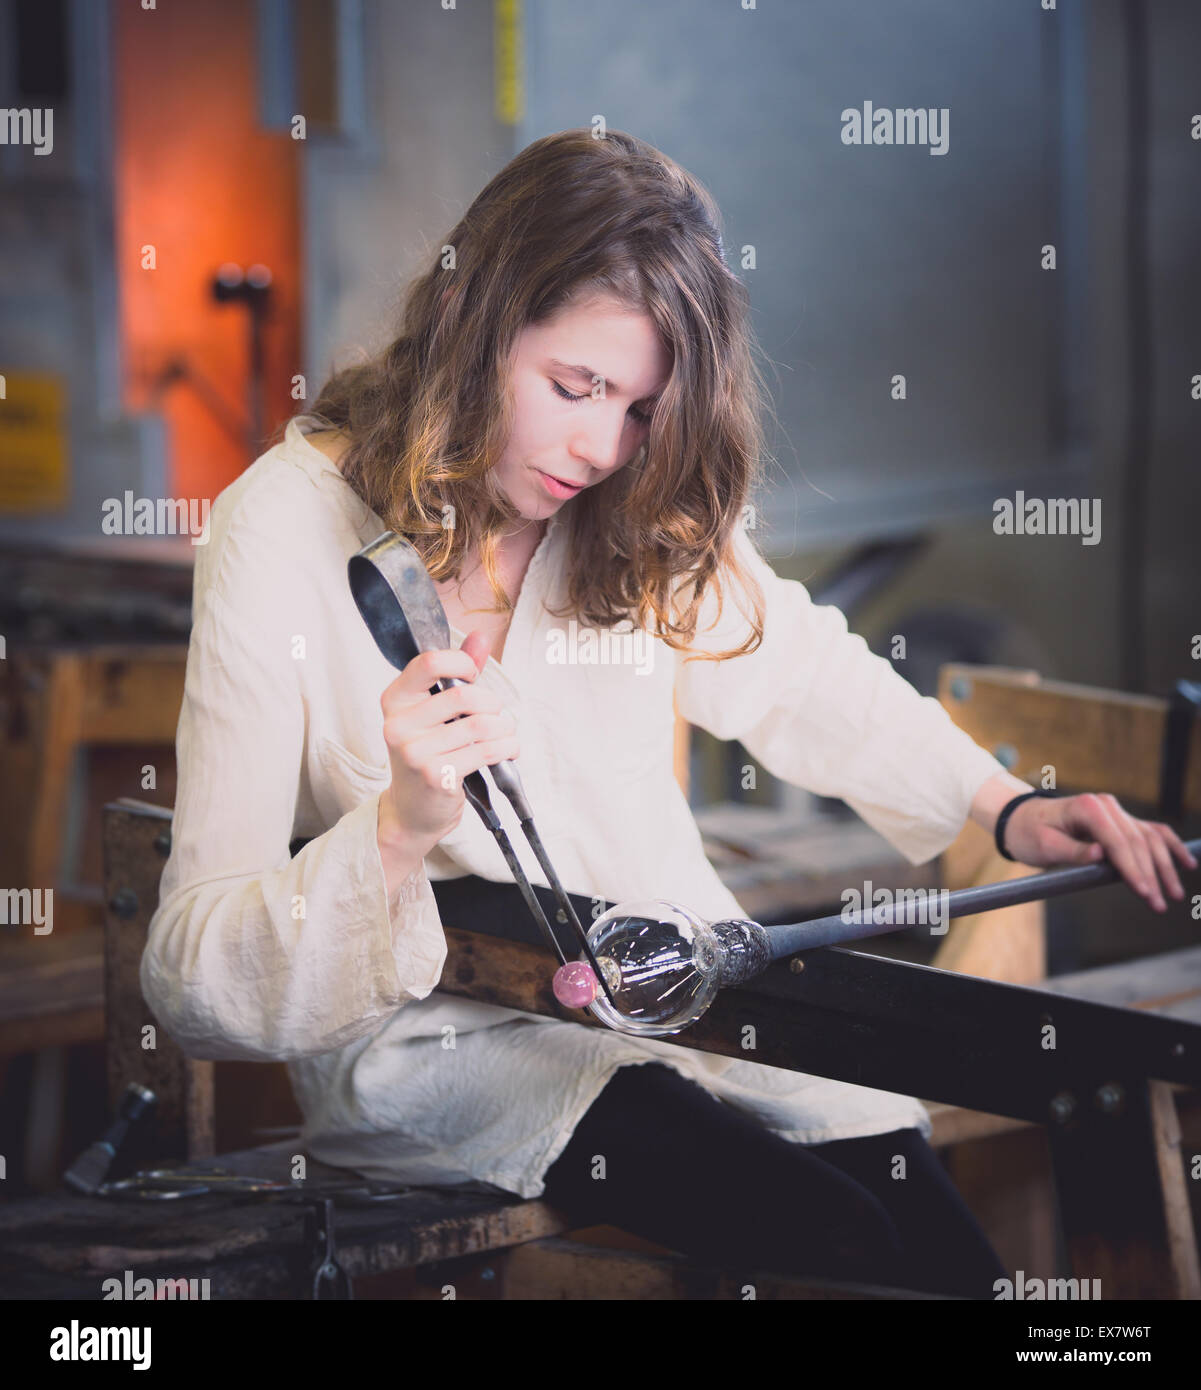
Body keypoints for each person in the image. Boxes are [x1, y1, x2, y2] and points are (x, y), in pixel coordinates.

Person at [141, 129, 1194, 1298]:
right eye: (573, 387)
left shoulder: (632, 495)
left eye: (641, 408)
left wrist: (1002, 807)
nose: (600, 447)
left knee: (939, 1257)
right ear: (477, 324)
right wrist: (398, 827)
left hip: (678, 1004)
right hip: (449, 1047)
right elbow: (188, 974)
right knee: (829, 1247)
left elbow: (799, 670)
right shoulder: (280, 526)